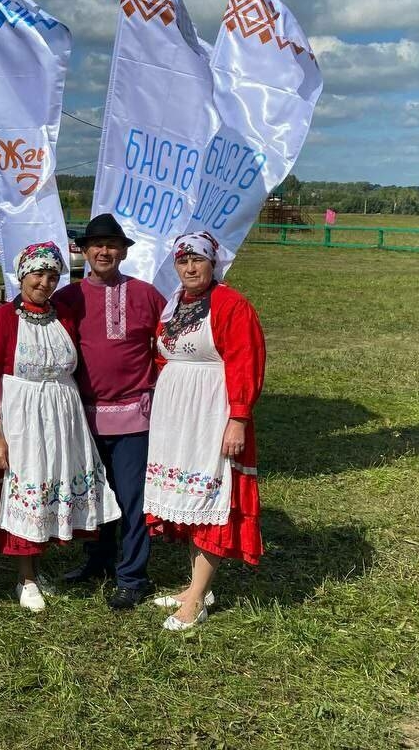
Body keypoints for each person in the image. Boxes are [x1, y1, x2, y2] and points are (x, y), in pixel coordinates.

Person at [0, 242, 120, 612]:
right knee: (27, 485)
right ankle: (25, 577)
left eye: (52, 276)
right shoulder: (2, 319)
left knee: (52, 483)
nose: (44, 282)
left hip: (63, 411)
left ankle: (39, 568)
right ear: (22, 275)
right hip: (22, 413)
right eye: (38, 274)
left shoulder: (63, 317)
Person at [145, 231, 265, 631]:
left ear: (213, 263)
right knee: (186, 497)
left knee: (209, 495)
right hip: (178, 417)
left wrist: (239, 417)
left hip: (211, 412)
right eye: (183, 261)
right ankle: (195, 586)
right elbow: (165, 357)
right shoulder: (175, 305)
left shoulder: (231, 305)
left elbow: (245, 361)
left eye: (198, 260)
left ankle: (196, 600)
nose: (190, 268)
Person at [55, 213, 167, 609]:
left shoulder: (146, 295)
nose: (104, 251)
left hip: (134, 414)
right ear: (83, 251)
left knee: (133, 497)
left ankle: (132, 575)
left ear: (122, 252)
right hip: (83, 416)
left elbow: (169, 346)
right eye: (96, 245)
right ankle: (97, 561)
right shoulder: (66, 299)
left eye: (112, 245)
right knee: (95, 495)